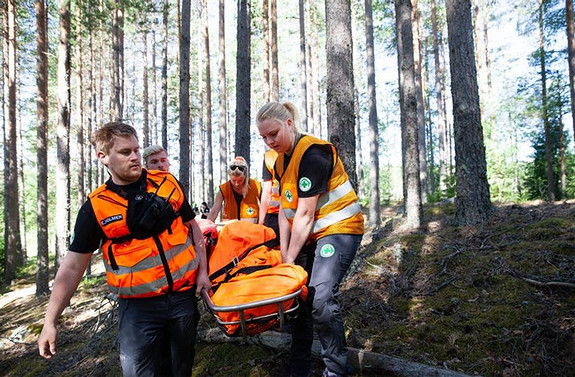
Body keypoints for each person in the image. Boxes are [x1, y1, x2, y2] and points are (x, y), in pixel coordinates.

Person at [37, 122, 211, 377]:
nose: (135, 157)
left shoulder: (168, 184)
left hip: (182, 301)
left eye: (137, 150)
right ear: (103, 157)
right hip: (138, 310)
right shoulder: (96, 208)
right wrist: (50, 321)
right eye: (125, 152)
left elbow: (193, 226)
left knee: (180, 371)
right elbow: (73, 266)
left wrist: (203, 272)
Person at [256, 102, 364, 377]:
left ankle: (336, 369)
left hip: (339, 228)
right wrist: (284, 257)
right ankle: (299, 365)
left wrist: (289, 261)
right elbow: (284, 212)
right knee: (300, 297)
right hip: (309, 234)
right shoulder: (279, 161)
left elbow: (304, 214)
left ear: (289, 124)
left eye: (274, 134)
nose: (269, 142)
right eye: (264, 138)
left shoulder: (315, 153)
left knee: (320, 296)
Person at [207, 156, 262, 224]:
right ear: (229, 176)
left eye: (240, 180)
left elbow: (265, 209)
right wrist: (206, 227)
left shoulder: (256, 186)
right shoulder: (223, 189)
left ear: (245, 176)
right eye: (233, 180)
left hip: (251, 232)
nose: (236, 184)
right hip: (230, 231)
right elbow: (214, 212)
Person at [258, 148, 280, 238]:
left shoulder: (299, 151)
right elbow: (267, 191)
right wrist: (261, 221)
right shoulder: (269, 157)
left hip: (295, 213)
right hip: (274, 214)